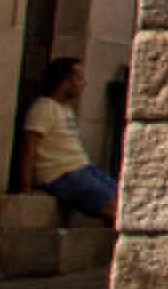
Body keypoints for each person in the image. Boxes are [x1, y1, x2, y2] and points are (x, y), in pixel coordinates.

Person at [18, 59, 115, 228]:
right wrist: (26, 189)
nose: (84, 84)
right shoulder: (44, 108)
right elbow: (29, 148)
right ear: (65, 81)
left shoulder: (65, 109)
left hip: (84, 168)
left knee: (129, 201)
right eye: (79, 79)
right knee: (115, 209)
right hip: (62, 174)